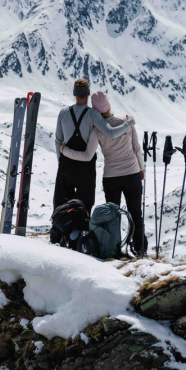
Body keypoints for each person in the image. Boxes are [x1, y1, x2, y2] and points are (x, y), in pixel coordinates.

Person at [59, 90, 146, 255]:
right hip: (132, 173)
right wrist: (141, 169)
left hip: (111, 177)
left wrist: (65, 151)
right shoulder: (127, 122)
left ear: (95, 110)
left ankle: (113, 250)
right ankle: (140, 251)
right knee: (136, 214)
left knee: (112, 217)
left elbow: (86, 156)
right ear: (109, 106)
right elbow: (137, 149)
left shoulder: (97, 130)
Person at [53, 79, 135, 222]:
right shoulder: (93, 114)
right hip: (85, 168)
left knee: (61, 202)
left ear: (74, 94)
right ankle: (78, 238)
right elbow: (111, 133)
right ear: (88, 94)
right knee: (84, 205)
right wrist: (129, 123)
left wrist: (62, 160)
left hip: (66, 164)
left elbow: (58, 140)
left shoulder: (63, 112)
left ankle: (57, 234)